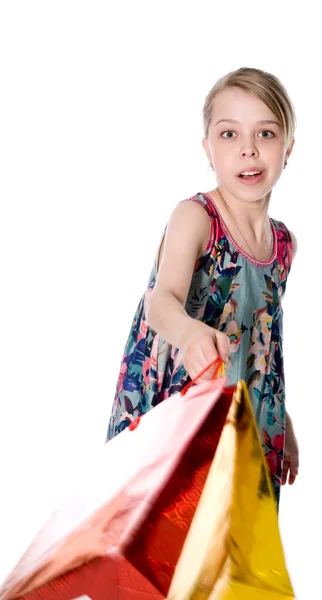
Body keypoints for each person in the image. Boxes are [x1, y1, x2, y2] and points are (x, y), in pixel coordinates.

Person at [106, 67, 299, 504]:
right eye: (229, 135)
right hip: (173, 410)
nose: (248, 150)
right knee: (162, 540)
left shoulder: (283, 245)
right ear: (208, 150)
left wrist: (281, 418)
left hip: (243, 420)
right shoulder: (196, 217)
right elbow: (161, 303)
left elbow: (261, 340)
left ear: (288, 148)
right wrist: (191, 332)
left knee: (228, 549)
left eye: (265, 134)